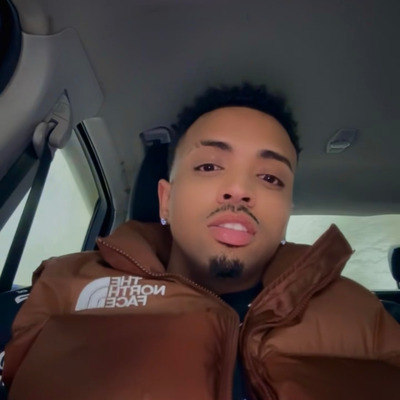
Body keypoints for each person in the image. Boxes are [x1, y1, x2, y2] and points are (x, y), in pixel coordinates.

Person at [3, 83, 400, 400]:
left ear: (286, 214)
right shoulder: (60, 291)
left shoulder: (367, 315)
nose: (239, 190)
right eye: (209, 166)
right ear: (166, 200)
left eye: (270, 178)